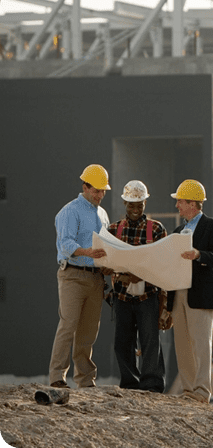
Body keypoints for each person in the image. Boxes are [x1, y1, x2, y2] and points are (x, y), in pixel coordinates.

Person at [49, 164, 111, 389]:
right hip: (73, 275)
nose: (100, 195)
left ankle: (85, 379)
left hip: (96, 278)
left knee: (89, 330)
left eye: (103, 191)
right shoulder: (70, 211)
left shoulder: (102, 214)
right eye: (96, 190)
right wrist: (87, 252)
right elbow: (65, 243)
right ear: (85, 186)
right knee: (68, 324)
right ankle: (57, 376)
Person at [167, 179, 213, 403]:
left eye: (180, 202)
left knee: (201, 344)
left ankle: (202, 392)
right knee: (182, 343)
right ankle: (189, 390)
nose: (177, 206)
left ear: (192, 203)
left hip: (200, 294)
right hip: (179, 292)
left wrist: (198, 254)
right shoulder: (178, 230)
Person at [106, 180, 166, 392]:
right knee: (123, 342)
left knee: (150, 341)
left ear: (145, 203)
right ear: (124, 203)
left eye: (139, 205)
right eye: (131, 205)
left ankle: (152, 385)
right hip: (121, 296)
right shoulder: (112, 230)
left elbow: (163, 265)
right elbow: (107, 263)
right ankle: (130, 383)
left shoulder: (156, 229)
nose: (135, 209)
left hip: (148, 295)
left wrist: (140, 276)